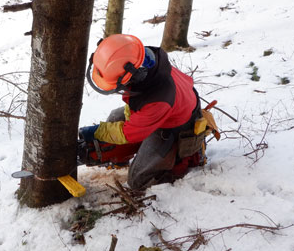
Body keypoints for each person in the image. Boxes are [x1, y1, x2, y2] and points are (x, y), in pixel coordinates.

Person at [80, 33, 208, 189]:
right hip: (168, 109)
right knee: (116, 116)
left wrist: (97, 131)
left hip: (176, 127)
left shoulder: (158, 98)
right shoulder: (139, 59)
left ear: (133, 76)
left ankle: (177, 161)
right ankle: (121, 155)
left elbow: (127, 133)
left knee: (138, 180)